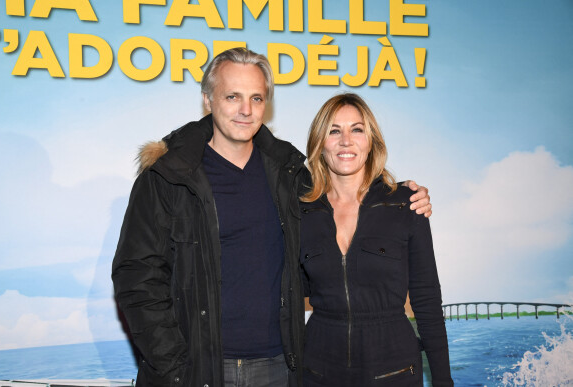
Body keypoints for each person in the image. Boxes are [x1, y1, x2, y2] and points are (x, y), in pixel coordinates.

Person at [112, 48, 433, 387]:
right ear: (207, 99)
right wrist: (174, 365)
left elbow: (342, 206)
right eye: (232, 96)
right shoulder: (168, 176)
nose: (246, 110)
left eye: (256, 97)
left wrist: (397, 195)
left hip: (279, 368)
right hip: (198, 370)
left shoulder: (291, 175)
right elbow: (136, 277)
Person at [299, 93, 453, 386]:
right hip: (318, 371)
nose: (346, 140)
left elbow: (427, 300)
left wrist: (444, 381)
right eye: (334, 130)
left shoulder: (406, 204)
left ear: (371, 142)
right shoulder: (300, 210)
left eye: (357, 129)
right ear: (320, 144)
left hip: (393, 370)